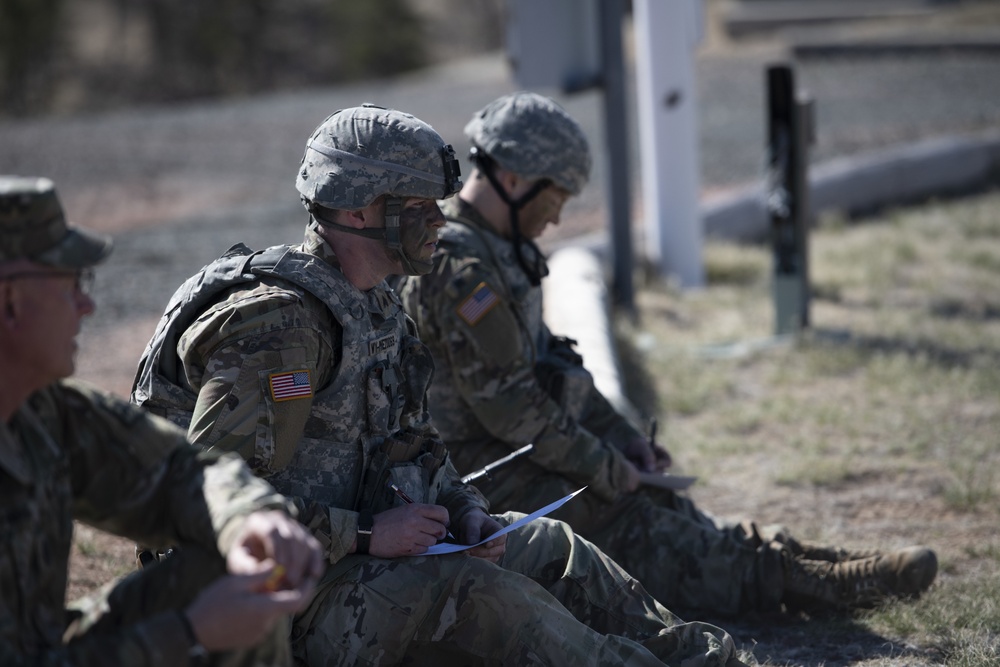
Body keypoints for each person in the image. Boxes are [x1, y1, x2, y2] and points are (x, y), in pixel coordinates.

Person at [131, 103, 749, 665]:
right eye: (420, 207)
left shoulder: (375, 308)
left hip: (350, 568)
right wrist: (370, 535)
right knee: (479, 596)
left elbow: (416, 443)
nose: (438, 222)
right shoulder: (278, 331)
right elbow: (206, 507)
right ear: (356, 209)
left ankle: (713, 659)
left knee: (550, 545)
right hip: (269, 616)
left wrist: (465, 512)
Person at [396, 91, 939, 618]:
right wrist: (604, 465)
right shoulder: (459, 269)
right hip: (483, 480)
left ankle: (806, 561)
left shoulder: (499, 249)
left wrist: (624, 439)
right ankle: (814, 584)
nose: (557, 219)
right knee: (634, 521)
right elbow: (511, 408)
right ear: (513, 179)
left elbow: (552, 367)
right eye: (554, 199)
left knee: (665, 505)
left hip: (525, 452)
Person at [0, 175, 324, 666]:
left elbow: (184, 471)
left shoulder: (45, 410)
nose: (87, 305)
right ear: (9, 301)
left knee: (232, 576)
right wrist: (187, 633)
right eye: (71, 283)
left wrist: (248, 520)